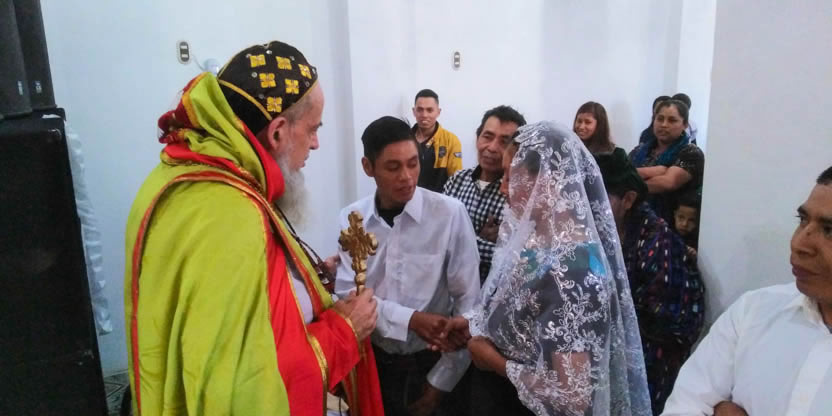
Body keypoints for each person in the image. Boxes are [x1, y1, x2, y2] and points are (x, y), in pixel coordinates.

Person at [124, 40, 382, 416]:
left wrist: (305, 281)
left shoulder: (185, 175)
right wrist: (343, 331)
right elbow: (246, 388)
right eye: (313, 129)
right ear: (277, 132)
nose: (316, 144)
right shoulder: (231, 214)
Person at [438, 122, 652, 415]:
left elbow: (573, 396)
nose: (503, 188)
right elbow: (524, 309)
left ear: (549, 181)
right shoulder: (540, 241)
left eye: (510, 177)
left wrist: (495, 362)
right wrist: (474, 323)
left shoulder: (575, 270)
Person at [335, 116, 481, 416]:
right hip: (372, 362)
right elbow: (348, 297)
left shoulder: (449, 214)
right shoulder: (353, 219)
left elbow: (469, 305)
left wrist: (440, 383)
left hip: (431, 360)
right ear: (368, 167)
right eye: (393, 167)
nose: (407, 177)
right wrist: (411, 319)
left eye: (413, 164)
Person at [662, 166, 832, 416]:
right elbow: (685, 405)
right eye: (803, 220)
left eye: (829, 230)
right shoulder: (753, 311)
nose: (799, 244)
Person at [594, 150, 705, 415]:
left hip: (651, 356)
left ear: (628, 199)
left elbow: (663, 323)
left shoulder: (657, 241)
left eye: (598, 197)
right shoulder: (598, 232)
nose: (587, 207)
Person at [445, 105, 526, 283]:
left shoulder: (516, 194)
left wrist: (461, 243)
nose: (492, 148)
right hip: (450, 289)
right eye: (487, 137)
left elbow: (516, 259)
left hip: (490, 293)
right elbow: (438, 236)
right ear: (477, 138)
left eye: (504, 142)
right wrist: (484, 243)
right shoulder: (457, 181)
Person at [629, 99, 704, 225]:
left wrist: (628, 183)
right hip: (637, 222)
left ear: (685, 125)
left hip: (674, 225)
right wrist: (654, 171)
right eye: (660, 119)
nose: (664, 124)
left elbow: (667, 183)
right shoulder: (639, 150)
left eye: (672, 120)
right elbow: (621, 172)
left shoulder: (691, 153)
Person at [412, 89, 463, 192]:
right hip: (409, 198)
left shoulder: (451, 140)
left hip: (439, 200)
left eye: (430, 110)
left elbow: (456, 181)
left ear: (438, 112)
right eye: (420, 110)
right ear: (414, 111)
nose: (424, 115)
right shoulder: (405, 138)